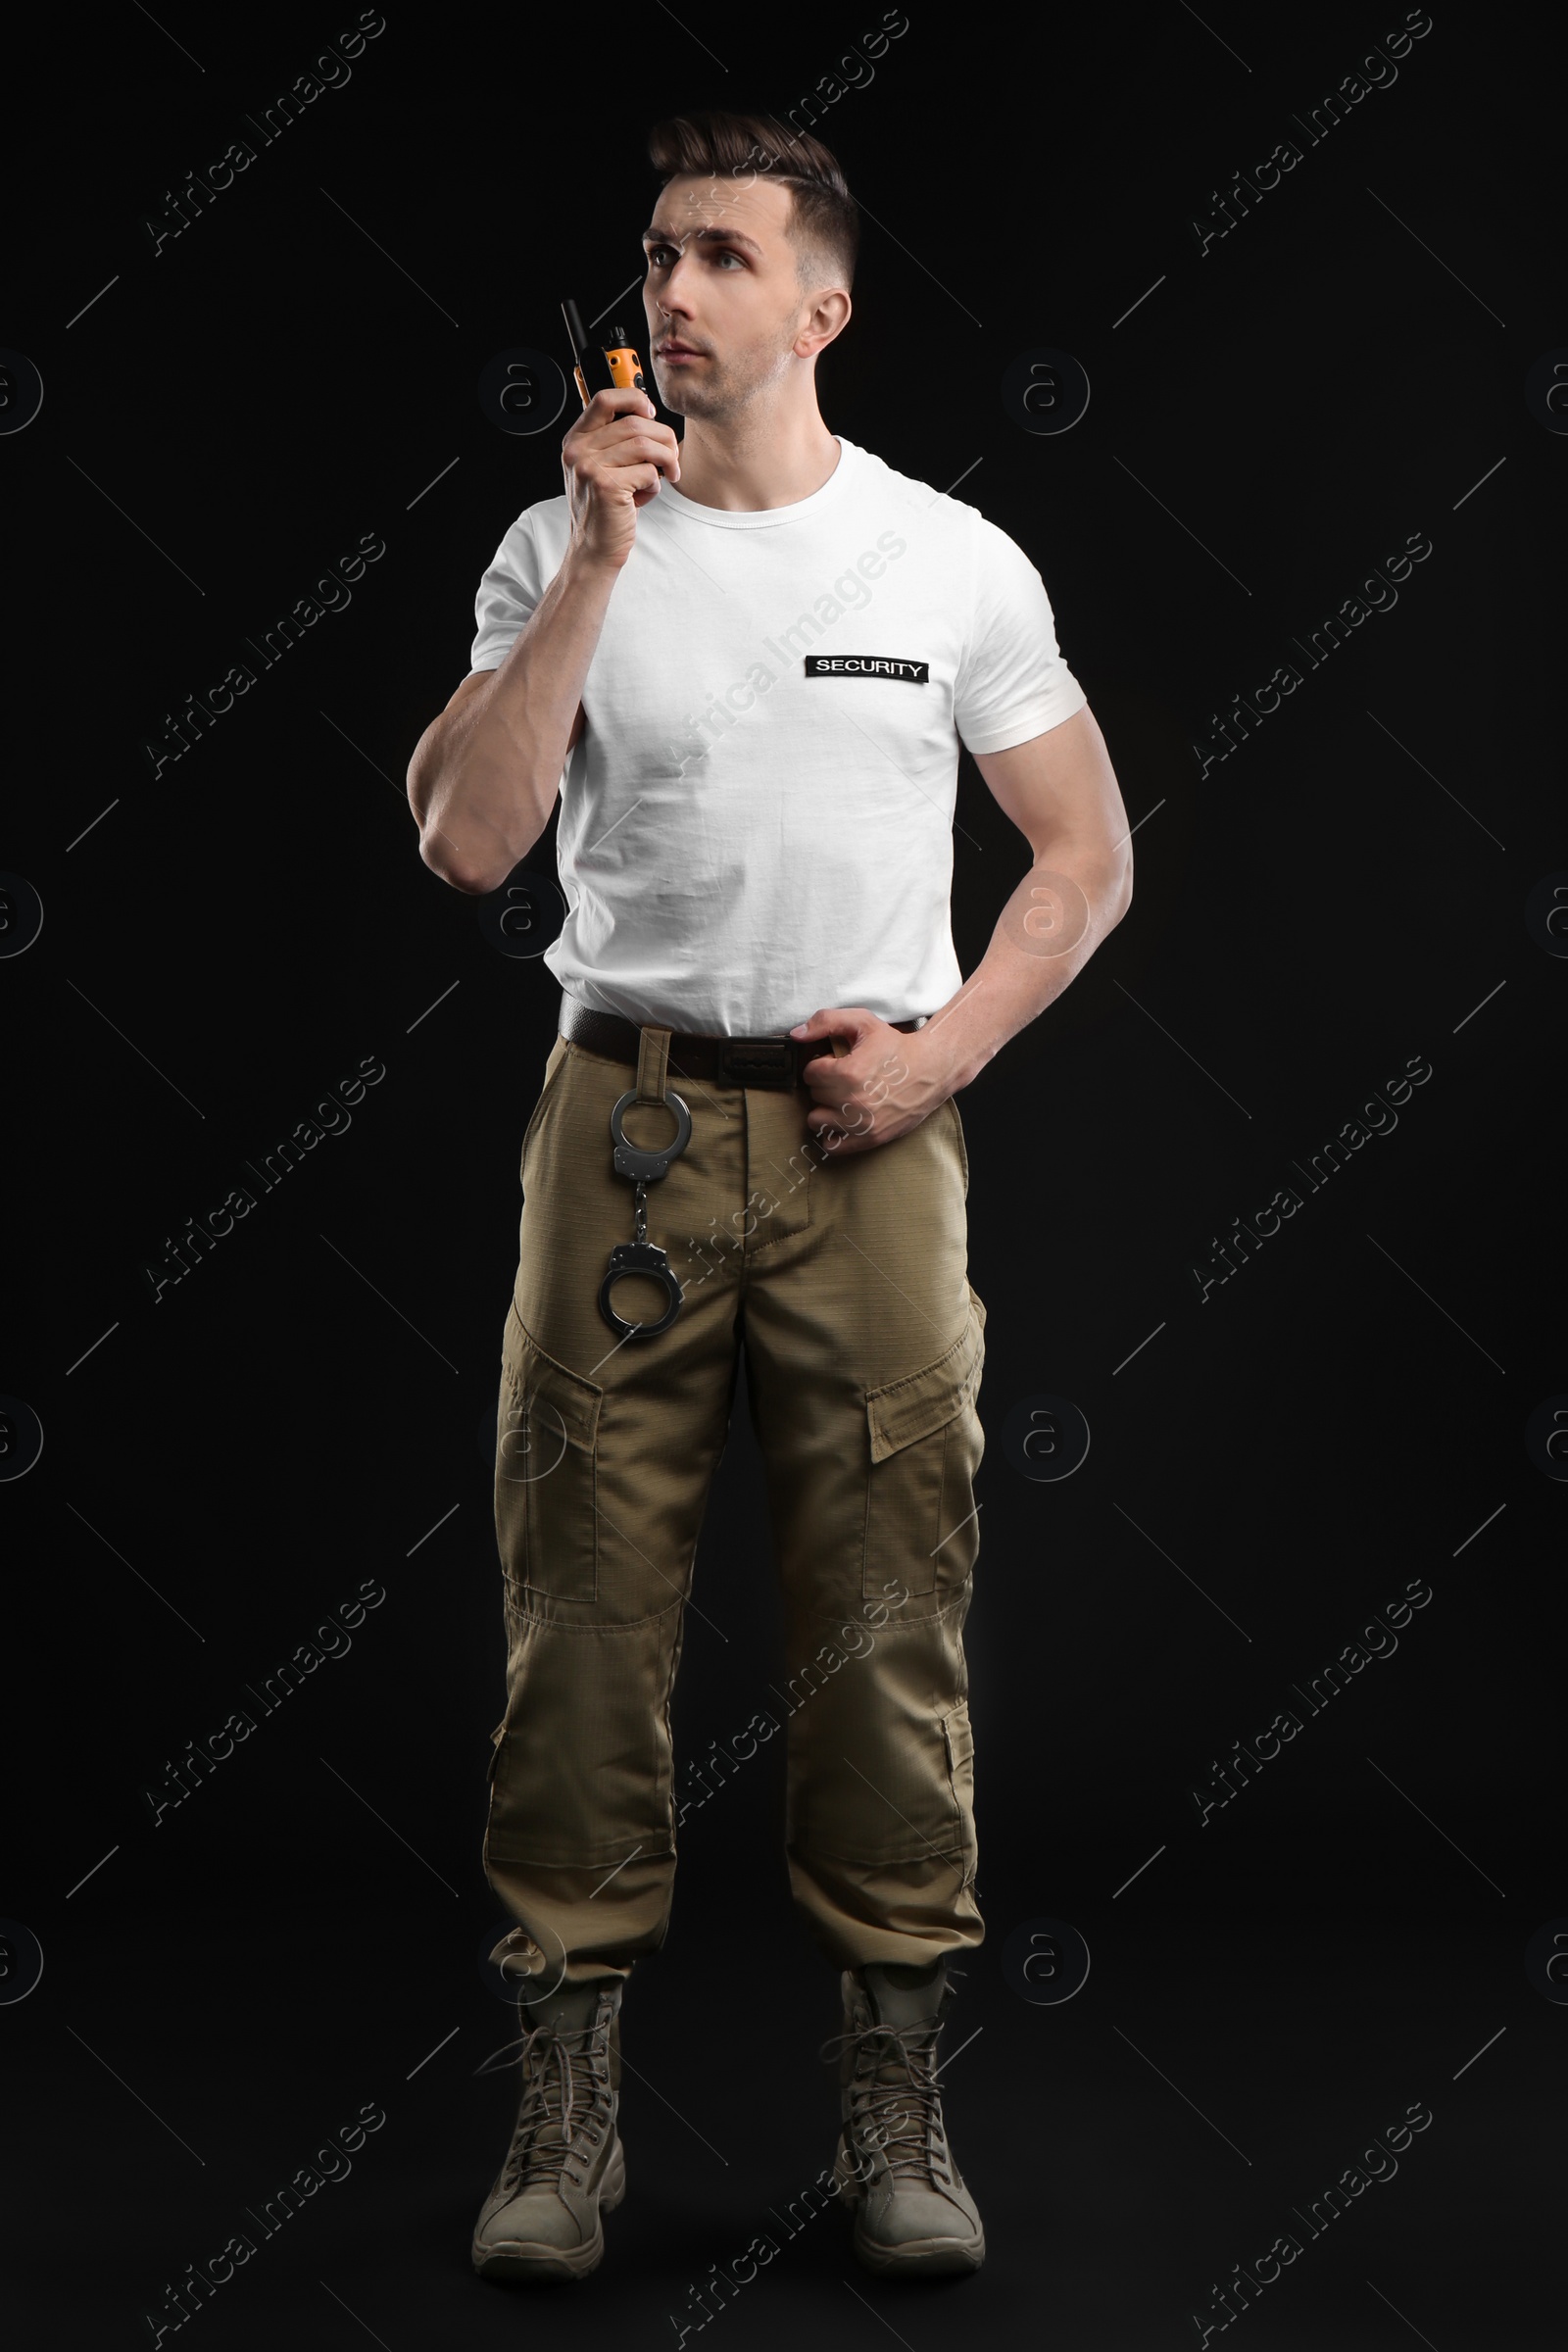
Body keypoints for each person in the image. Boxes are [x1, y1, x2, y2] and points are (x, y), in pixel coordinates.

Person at [405, 107, 1133, 2286]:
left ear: (819, 304)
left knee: (891, 1621)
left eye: (719, 257)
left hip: (867, 1147)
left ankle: (893, 2101)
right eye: (653, 258)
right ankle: (565, 2106)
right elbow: (461, 838)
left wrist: (946, 1049)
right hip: (614, 1133)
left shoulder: (944, 562)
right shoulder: (558, 552)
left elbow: (1083, 860)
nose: (672, 294)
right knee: (581, 1628)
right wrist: (599, 562)